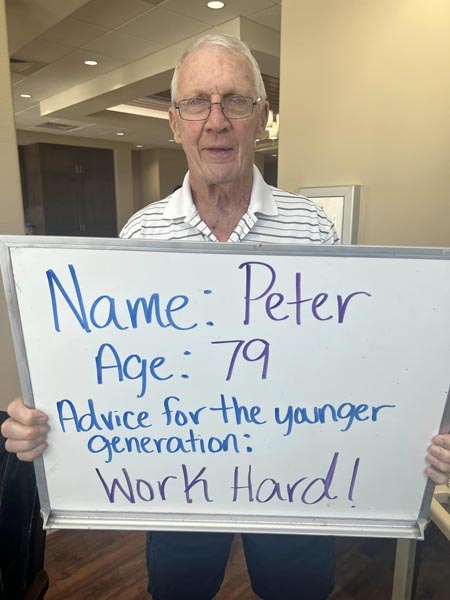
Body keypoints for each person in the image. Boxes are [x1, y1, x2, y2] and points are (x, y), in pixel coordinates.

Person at [2, 34, 450, 600]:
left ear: (261, 118)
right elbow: (106, 372)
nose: (216, 120)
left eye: (236, 101)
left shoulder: (313, 230)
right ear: (173, 121)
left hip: (297, 482)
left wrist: (417, 426)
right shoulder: (141, 236)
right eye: (197, 103)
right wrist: (44, 424)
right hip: (177, 484)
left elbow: (353, 359)